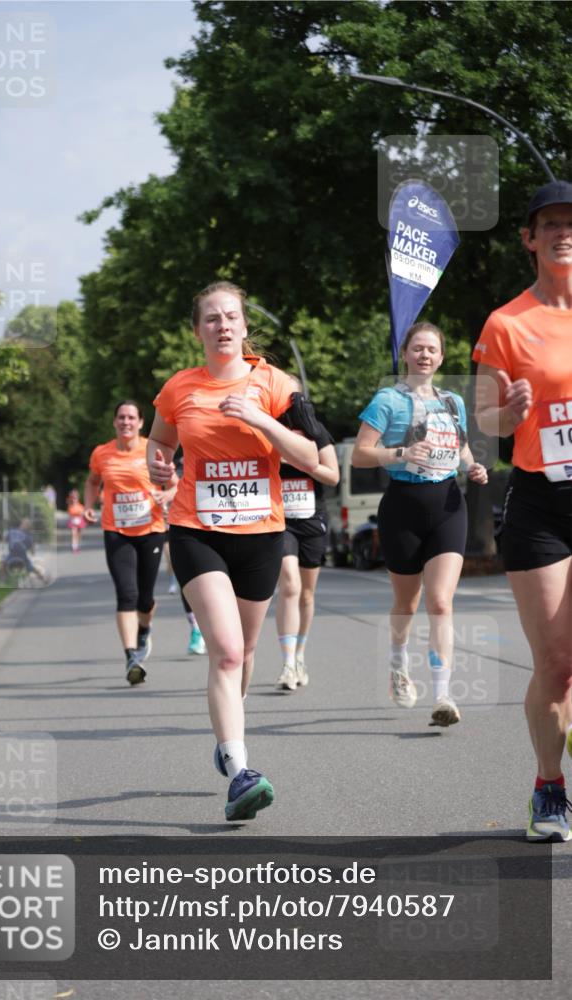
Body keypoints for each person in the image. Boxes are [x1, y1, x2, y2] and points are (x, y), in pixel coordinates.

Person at [147, 281, 318, 821]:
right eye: (212, 318)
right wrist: (158, 465)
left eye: (232, 317)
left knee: (244, 654)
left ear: (245, 327)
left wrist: (261, 419)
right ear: (197, 330)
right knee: (223, 650)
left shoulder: (275, 383)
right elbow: (161, 443)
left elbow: (311, 454)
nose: (223, 325)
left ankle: (228, 737)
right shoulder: (180, 388)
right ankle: (242, 772)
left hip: (262, 534)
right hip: (197, 530)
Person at [474, 179, 572, 843]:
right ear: (529, 238)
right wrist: (503, 414)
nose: (563, 233)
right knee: (557, 663)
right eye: (550, 224)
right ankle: (548, 785)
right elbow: (484, 417)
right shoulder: (505, 323)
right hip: (540, 500)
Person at [353, 321, 488, 727]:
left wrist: (473, 465)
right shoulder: (387, 400)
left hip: (448, 504)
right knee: (406, 604)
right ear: (406, 354)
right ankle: (398, 663)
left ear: (442, 357)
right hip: (403, 509)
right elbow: (360, 454)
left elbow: (460, 445)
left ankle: (443, 694)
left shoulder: (452, 402)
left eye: (432, 349)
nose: (425, 355)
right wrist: (400, 452)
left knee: (441, 602)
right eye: (418, 348)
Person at [84, 401, 172, 684]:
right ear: (114, 422)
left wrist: (166, 496)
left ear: (141, 423)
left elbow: (176, 484)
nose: (126, 422)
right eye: (121, 417)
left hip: (151, 530)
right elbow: (92, 481)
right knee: (126, 594)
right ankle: (131, 656)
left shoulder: (152, 450)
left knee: (145, 598)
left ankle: (144, 630)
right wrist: (89, 505)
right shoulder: (102, 453)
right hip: (116, 531)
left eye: (131, 417)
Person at [275, 392, 339, 691]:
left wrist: (304, 461)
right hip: (280, 520)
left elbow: (333, 477)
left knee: (307, 594)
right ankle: (287, 662)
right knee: (289, 583)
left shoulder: (317, 432)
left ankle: (300, 654)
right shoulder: (269, 428)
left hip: (312, 519)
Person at [1, 519, 47, 583]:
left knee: (31, 568)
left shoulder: (28, 536)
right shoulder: (13, 531)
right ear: (21, 524)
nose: (26, 526)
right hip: (12, 555)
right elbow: (4, 540)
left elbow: (32, 551)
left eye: (27, 525)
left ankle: (43, 578)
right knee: (3, 562)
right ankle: (3, 579)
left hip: (22, 556)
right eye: (25, 524)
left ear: (29, 527)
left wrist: (32, 550)